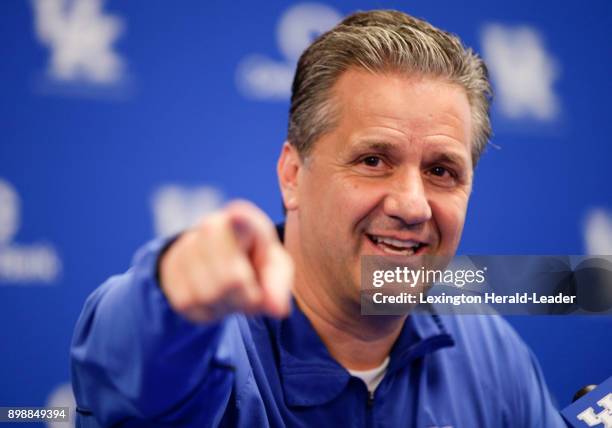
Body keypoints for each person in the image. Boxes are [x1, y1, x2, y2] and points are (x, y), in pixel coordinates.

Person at [70, 10, 566, 427]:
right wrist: (170, 292)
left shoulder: (486, 348)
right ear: (292, 174)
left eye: (441, 170)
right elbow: (127, 369)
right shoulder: (216, 341)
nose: (413, 205)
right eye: (374, 160)